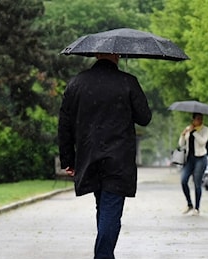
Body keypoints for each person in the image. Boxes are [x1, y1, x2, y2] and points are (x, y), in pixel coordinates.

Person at [58, 53, 152, 259]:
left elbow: (64, 125)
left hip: (88, 157)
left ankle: (104, 255)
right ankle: (103, 256)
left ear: (96, 54)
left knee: (103, 207)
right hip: (118, 159)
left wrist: (68, 160)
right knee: (110, 210)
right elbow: (144, 117)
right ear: (116, 55)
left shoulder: (76, 84)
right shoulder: (127, 82)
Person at [178, 112, 208, 216]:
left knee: (197, 183)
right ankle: (189, 204)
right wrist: (183, 135)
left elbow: (203, 142)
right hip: (189, 159)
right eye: (197, 119)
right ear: (193, 120)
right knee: (183, 180)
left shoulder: (205, 130)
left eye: (201, 118)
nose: (200, 121)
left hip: (200, 158)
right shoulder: (188, 128)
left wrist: (195, 132)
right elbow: (181, 144)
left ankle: (197, 208)